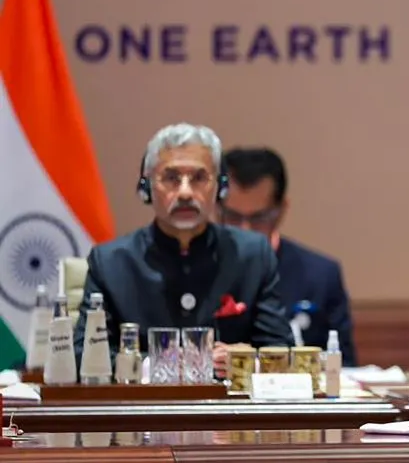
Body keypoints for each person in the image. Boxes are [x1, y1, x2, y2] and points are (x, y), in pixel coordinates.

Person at [73, 124, 292, 374]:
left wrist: (245, 361)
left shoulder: (252, 255)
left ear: (220, 188)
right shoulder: (110, 262)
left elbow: (282, 352)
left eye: (199, 178)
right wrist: (161, 364)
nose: (186, 192)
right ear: (146, 188)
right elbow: (84, 356)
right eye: (171, 178)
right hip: (146, 398)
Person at [220, 146, 358, 366]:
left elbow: (344, 367)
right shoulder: (199, 268)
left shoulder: (321, 275)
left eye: (258, 218)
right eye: (232, 216)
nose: (245, 230)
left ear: (281, 210)